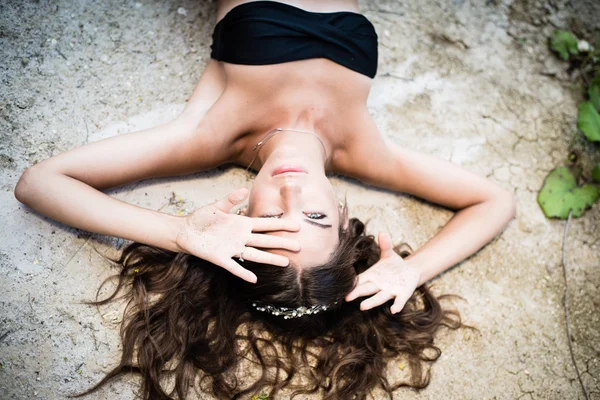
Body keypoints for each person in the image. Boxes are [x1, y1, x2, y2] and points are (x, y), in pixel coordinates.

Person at [13, 0, 517, 399]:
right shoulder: (367, 153)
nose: (292, 189)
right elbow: (494, 201)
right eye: (315, 216)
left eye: (273, 216)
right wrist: (413, 270)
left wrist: (182, 236)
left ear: (243, 214)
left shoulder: (209, 136)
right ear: (344, 219)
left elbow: (39, 183)